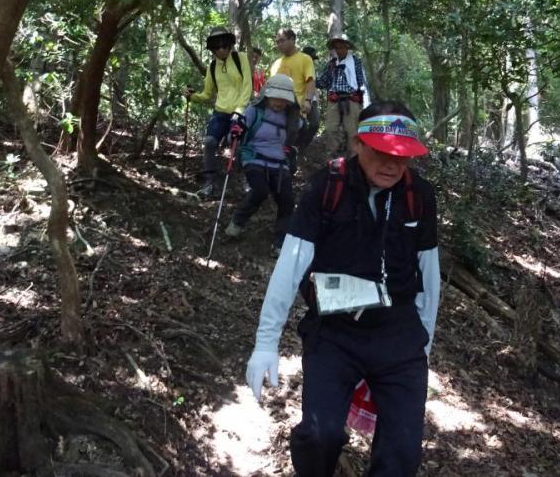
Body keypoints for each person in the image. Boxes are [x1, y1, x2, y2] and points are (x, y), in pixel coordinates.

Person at [245, 101, 440, 476]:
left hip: (399, 335)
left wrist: (424, 343)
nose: (392, 165)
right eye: (382, 152)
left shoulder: (419, 196)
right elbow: (292, 263)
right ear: (357, 144)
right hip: (335, 330)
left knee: (401, 455)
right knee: (319, 436)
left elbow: (428, 274)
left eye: (403, 157)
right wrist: (265, 342)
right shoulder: (328, 186)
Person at [224, 74, 301, 252]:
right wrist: (236, 132)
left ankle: (280, 242)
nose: (280, 102)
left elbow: (293, 139)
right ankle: (237, 222)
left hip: (279, 162)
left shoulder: (291, 117)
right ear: (267, 94)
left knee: (287, 201)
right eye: (276, 97)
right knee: (260, 191)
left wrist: (291, 151)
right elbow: (235, 135)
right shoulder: (254, 110)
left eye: (284, 99)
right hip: (254, 156)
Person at [184, 27, 252, 197]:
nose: (221, 49)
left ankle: (245, 178)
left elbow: (247, 87)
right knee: (209, 142)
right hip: (220, 112)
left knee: (235, 141)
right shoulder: (212, 67)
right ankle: (209, 181)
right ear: (212, 49)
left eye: (224, 45)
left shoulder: (241, 58)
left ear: (229, 45)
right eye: (216, 46)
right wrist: (192, 97)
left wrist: (240, 110)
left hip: (239, 111)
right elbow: (207, 94)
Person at [270, 28, 320, 163]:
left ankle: (290, 156)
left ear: (292, 40)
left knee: (294, 130)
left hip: (295, 105)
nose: (279, 44)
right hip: (276, 104)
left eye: (282, 41)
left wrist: (308, 100)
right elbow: (270, 86)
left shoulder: (305, 59)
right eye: (277, 42)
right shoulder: (275, 64)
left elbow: (310, 81)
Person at [315, 34, 370, 156]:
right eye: (336, 48)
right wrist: (309, 78)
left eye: (341, 47)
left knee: (352, 131)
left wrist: (364, 101)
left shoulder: (356, 62)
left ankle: (354, 157)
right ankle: (334, 156)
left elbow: (361, 82)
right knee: (330, 129)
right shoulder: (332, 64)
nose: (339, 50)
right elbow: (323, 81)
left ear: (347, 47)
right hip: (334, 99)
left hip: (351, 98)